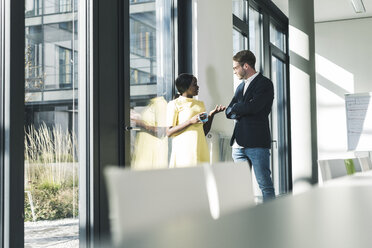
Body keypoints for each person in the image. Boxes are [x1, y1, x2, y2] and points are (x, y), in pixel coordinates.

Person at [225, 50, 275, 201]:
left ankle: (270, 219)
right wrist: (241, 107)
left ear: (245, 66)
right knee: (241, 186)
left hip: (257, 143)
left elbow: (254, 108)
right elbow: (228, 111)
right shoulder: (240, 87)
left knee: (264, 185)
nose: (234, 71)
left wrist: (238, 108)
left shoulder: (264, 83)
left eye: (235, 68)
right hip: (238, 145)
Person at [166, 73, 226, 167]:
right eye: (194, 84)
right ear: (185, 86)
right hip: (183, 152)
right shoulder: (174, 104)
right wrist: (190, 122)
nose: (197, 87)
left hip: (200, 149)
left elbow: (204, 131)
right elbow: (169, 132)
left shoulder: (200, 104)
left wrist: (211, 115)